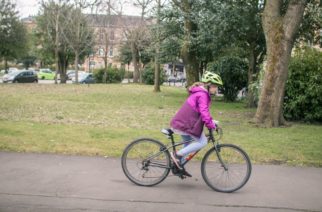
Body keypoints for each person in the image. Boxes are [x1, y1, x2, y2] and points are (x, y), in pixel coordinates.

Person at [170, 71, 223, 177]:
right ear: (209, 85)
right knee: (202, 142)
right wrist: (211, 125)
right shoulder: (203, 95)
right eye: (215, 86)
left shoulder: (200, 93)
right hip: (185, 124)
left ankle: (178, 167)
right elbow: (204, 113)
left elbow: (202, 112)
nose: (216, 89)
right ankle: (177, 156)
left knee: (187, 145)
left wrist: (212, 122)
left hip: (183, 122)